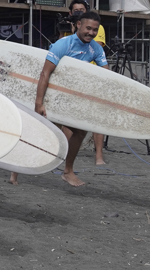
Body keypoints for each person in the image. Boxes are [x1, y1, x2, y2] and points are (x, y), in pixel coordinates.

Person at [33, 11, 108, 187]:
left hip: (71, 98)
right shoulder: (63, 44)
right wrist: (39, 102)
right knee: (42, 133)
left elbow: (106, 75)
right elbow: (45, 73)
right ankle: (17, 170)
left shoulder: (96, 48)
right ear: (78, 25)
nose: (91, 32)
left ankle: (68, 171)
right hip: (52, 94)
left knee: (81, 131)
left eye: (95, 30)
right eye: (88, 28)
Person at [66, 0, 109, 164]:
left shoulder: (97, 28)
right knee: (68, 119)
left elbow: (93, 44)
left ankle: (99, 155)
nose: (78, 13)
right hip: (71, 80)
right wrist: (72, 30)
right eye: (75, 11)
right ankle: (63, 152)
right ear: (70, 13)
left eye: (81, 10)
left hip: (92, 77)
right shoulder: (67, 29)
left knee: (96, 116)